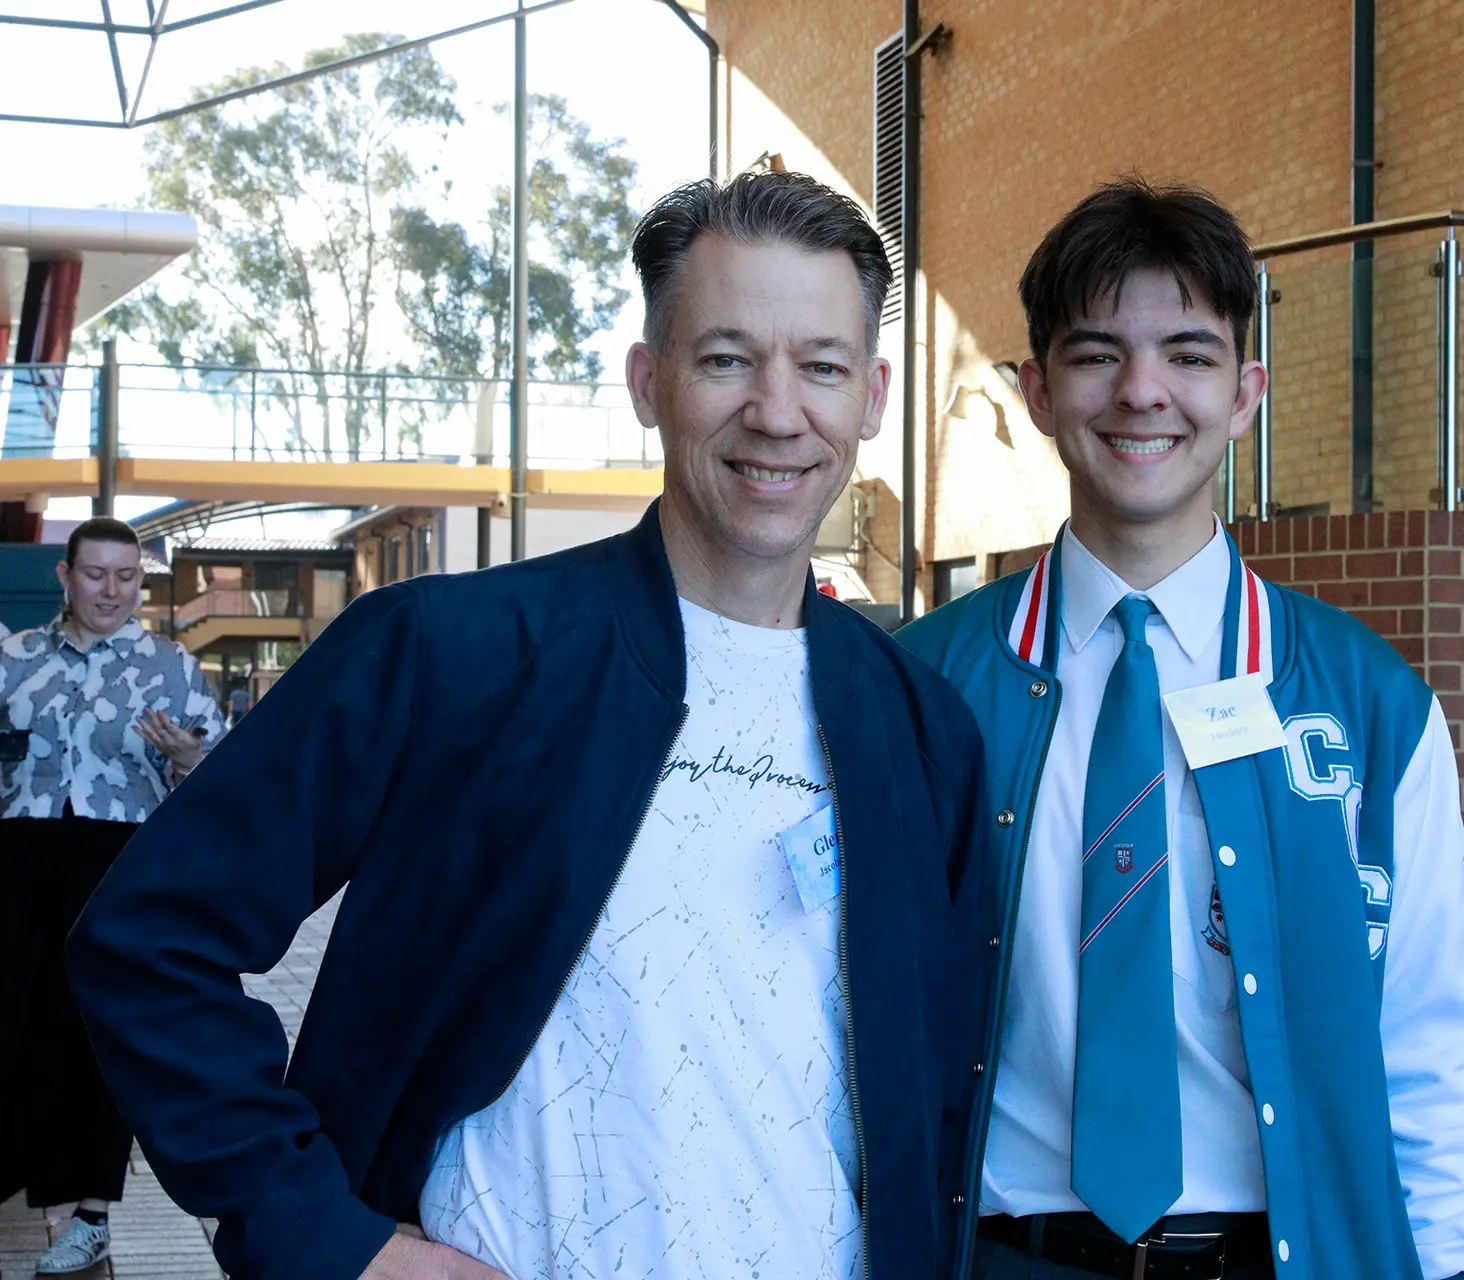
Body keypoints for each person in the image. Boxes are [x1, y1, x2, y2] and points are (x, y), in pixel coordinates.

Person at [67, 171, 992, 1280]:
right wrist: (324, 1236)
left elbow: (938, 1091)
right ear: (648, 381)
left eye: (823, 367)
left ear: (874, 397)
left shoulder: (919, 730)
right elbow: (149, 940)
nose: (778, 411)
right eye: (726, 358)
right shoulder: (450, 655)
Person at [898, 179, 1464, 1280]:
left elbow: (1429, 1041)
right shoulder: (926, 687)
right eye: (1096, 354)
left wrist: (1456, 1263)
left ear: (1244, 393)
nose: (1142, 392)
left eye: (1188, 354)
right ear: (1037, 391)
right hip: (1001, 1257)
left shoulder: (1369, 702)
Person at [1, 517, 224, 1275]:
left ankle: (90, 1214)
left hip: (119, 866)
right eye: (95, 575)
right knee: (13, 1024)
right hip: (19, 862)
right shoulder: (14, 659)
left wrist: (188, 758)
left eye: (126, 577)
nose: (111, 591)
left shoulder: (171, 667)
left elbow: (224, 776)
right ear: (65, 577)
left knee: (98, 1033)